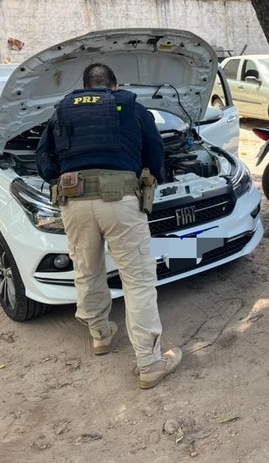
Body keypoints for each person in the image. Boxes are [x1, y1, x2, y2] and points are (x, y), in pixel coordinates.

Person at [36, 62, 181, 389]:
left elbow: (44, 160)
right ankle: (150, 363)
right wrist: (152, 174)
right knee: (138, 280)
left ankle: (100, 335)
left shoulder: (61, 111)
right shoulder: (131, 107)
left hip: (73, 200)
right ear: (113, 86)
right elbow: (154, 151)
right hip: (121, 201)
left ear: (85, 87)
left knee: (87, 270)